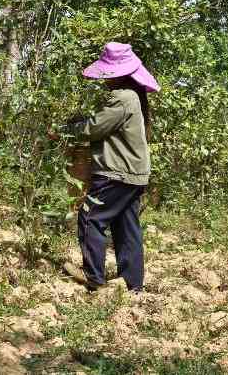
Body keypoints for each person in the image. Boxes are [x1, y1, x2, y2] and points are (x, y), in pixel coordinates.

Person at [54, 42, 160, 292]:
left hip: (117, 173)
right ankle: (133, 286)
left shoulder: (121, 98)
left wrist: (62, 131)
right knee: (126, 228)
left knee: (90, 218)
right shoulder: (132, 97)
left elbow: (93, 128)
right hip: (135, 174)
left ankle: (94, 279)